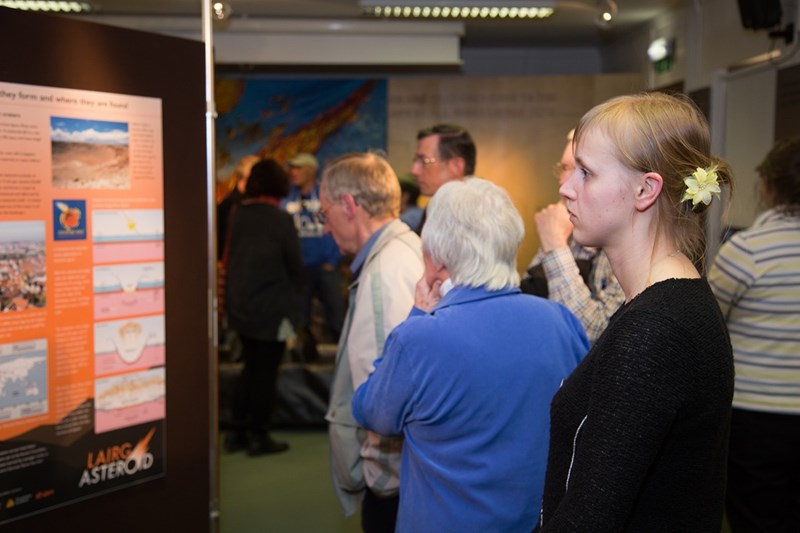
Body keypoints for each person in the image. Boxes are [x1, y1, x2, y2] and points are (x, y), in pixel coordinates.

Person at [537, 92, 735, 532]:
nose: (566, 187)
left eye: (586, 172)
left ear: (645, 190)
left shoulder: (656, 330)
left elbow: (590, 518)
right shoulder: (663, 305)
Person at [352, 178, 589, 533]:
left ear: (437, 261)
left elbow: (372, 412)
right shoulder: (562, 321)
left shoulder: (419, 339)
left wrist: (416, 315)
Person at [321, 152, 424, 532]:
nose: (325, 227)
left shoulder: (384, 275)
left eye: (325, 213)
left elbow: (384, 401)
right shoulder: (407, 248)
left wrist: (380, 480)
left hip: (393, 486)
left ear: (349, 206)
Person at [707, 136, 800, 533]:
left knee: (756, 519)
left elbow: (709, 323)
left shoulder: (747, 251)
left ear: (768, 185)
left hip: (754, 420)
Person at [224, 158, 304, 456]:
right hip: (272, 308)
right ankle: (259, 435)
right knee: (265, 373)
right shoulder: (280, 219)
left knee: (249, 368)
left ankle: (236, 434)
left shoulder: (236, 214)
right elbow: (295, 265)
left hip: (240, 306)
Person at [521, 130, 624, 343]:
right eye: (564, 168)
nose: (563, 184)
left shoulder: (623, 243)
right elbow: (528, 301)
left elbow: (593, 336)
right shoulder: (566, 222)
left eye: (582, 171)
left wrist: (554, 244)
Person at [282, 152, 346, 350]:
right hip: (299, 269)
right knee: (300, 318)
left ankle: (343, 353)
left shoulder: (326, 194)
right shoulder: (286, 197)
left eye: (298, 168)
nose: (293, 172)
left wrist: (333, 260)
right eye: (292, 168)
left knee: (337, 314)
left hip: (325, 266)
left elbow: (341, 225)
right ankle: (305, 355)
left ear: (311, 170)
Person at [410, 124, 476, 232]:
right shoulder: (435, 209)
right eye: (416, 161)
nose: (414, 170)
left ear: (456, 166)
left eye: (424, 161)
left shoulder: (475, 219)